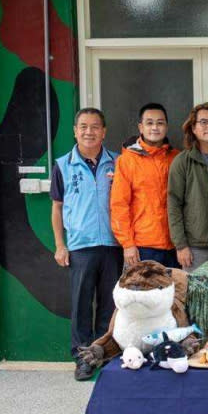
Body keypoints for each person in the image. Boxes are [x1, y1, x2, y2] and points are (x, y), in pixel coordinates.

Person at [50, 108, 122, 381]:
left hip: (113, 245)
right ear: (75, 130)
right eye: (83, 126)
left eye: (95, 127)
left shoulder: (118, 162)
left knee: (110, 304)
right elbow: (57, 208)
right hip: (80, 246)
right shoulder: (63, 165)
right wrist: (60, 245)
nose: (89, 132)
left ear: (104, 132)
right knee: (81, 305)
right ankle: (83, 358)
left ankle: (106, 353)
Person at [110, 103, 179, 268]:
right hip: (142, 246)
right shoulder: (127, 160)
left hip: (175, 245)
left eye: (160, 123)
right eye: (149, 123)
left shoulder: (177, 158)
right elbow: (119, 205)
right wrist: (127, 244)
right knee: (143, 293)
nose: (155, 127)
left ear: (167, 127)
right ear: (141, 127)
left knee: (175, 293)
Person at [167, 103, 208, 272]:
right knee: (196, 297)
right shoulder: (182, 161)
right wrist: (181, 245)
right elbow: (173, 204)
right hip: (196, 248)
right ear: (193, 128)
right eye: (203, 122)